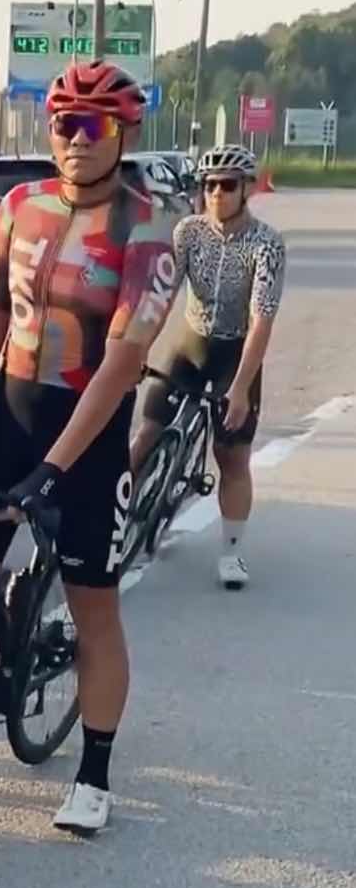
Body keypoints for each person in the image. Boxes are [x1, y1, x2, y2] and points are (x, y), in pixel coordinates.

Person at [0, 62, 178, 838]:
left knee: (91, 604)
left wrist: (54, 469)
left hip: (90, 431)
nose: (75, 139)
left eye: (93, 126)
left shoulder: (147, 228)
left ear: (123, 133)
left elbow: (122, 363)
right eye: (63, 123)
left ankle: (96, 770)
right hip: (8, 408)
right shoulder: (18, 205)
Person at [131, 143, 285, 590]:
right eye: (209, 185)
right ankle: (114, 523)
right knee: (146, 433)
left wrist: (240, 388)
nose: (216, 193)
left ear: (247, 189)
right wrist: (140, 348)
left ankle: (232, 553)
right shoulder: (188, 232)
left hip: (236, 351)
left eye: (227, 185)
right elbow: (163, 296)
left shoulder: (267, 244)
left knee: (231, 455)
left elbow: (262, 322)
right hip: (191, 343)